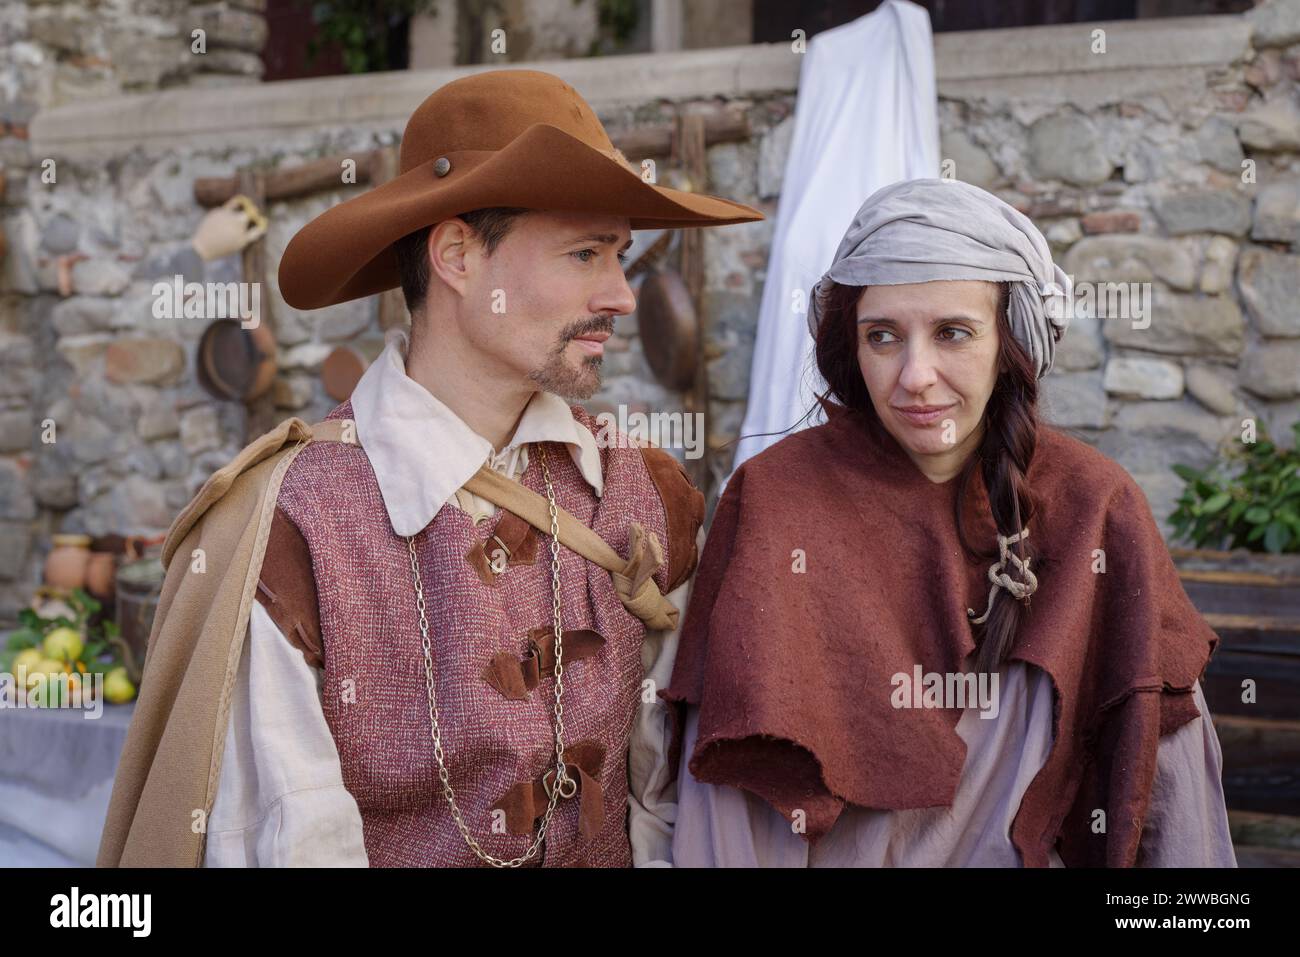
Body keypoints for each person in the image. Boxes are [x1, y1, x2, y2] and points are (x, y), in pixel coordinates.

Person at [97, 69, 762, 868]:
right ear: (455, 255)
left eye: (619, 254)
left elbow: (669, 799)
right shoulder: (291, 522)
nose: (621, 293)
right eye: (586, 253)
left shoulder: (646, 491)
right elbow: (285, 842)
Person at [661, 177, 1237, 867]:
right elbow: (726, 792)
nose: (916, 375)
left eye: (953, 332)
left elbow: (1169, 784)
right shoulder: (777, 498)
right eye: (883, 337)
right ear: (854, 346)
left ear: (1008, 342)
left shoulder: (1096, 504)